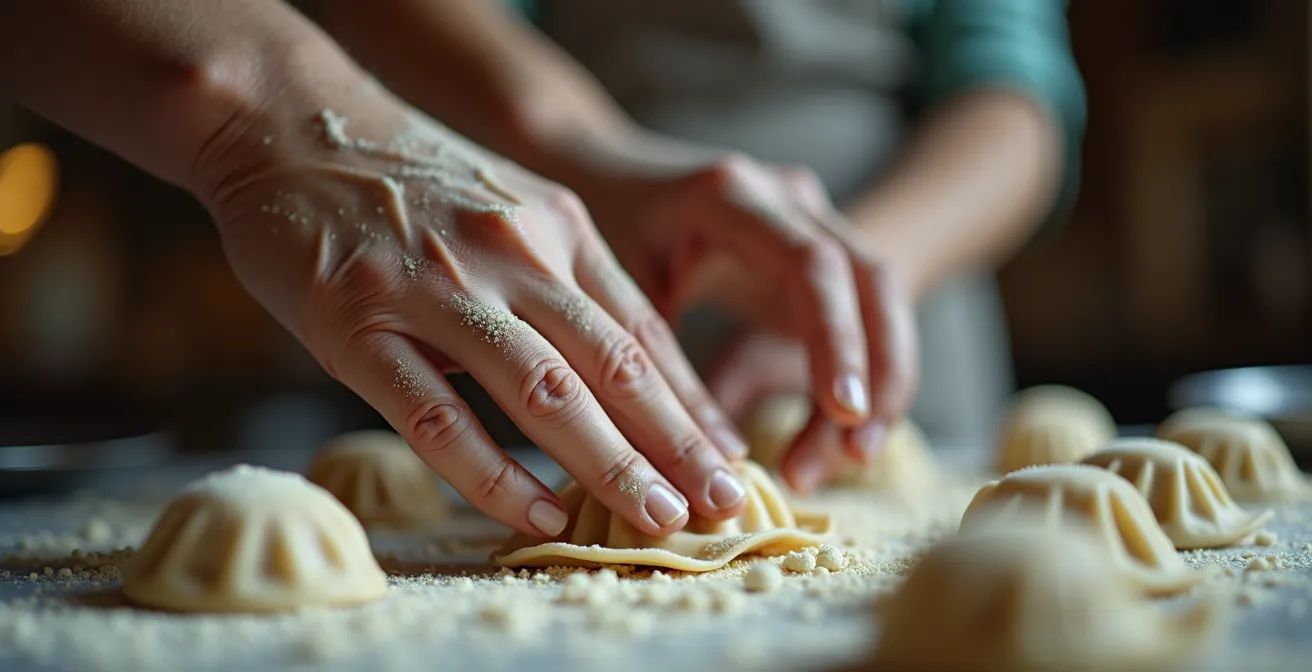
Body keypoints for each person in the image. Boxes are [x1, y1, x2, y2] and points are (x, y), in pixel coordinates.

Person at [0, 0, 1079, 540]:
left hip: (888, 358)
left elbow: (1013, 92)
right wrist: (584, 154)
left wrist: (841, 280)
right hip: (517, 288)